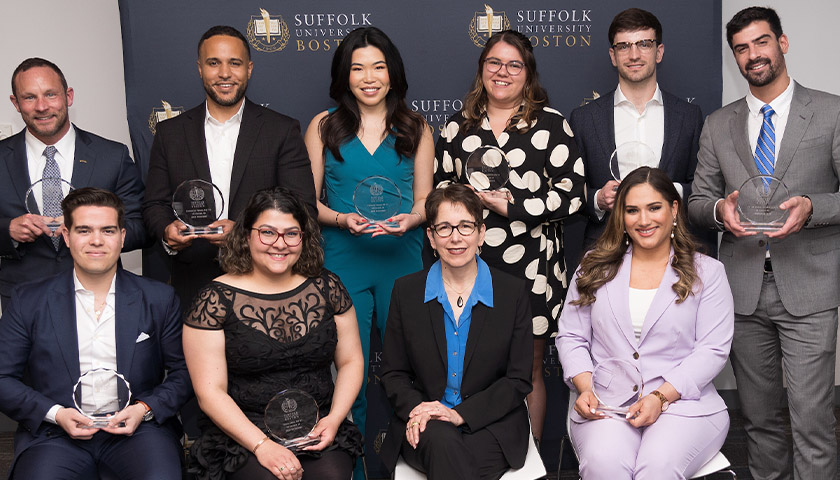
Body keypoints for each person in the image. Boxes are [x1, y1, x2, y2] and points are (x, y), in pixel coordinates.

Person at [687, 7, 840, 479]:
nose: (753, 55)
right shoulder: (718, 124)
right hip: (742, 293)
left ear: (783, 43)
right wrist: (718, 213)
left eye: (761, 42)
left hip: (810, 289)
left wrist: (813, 208)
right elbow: (696, 200)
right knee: (760, 422)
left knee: (812, 421)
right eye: (742, 48)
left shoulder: (831, 111)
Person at [433, 29, 585, 444]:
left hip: (532, 268)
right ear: (482, 69)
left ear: (528, 73)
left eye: (513, 65)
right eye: (493, 63)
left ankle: (528, 461)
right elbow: (439, 194)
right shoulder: (456, 127)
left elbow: (573, 198)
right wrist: (468, 206)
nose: (502, 72)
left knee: (528, 370)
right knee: (470, 367)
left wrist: (511, 205)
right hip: (467, 267)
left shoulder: (552, 125)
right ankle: (473, 455)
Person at [303, 26, 433, 471]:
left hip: (402, 258)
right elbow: (308, 202)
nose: (369, 76)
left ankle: (416, 466)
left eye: (378, 66)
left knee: (412, 373)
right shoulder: (324, 126)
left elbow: (424, 200)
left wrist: (411, 220)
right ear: (345, 75)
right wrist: (341, 219)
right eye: (357, 68)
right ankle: (351, 471)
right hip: (344, 262)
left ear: (392, 73)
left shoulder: (415, 127)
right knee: (349, 379)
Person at [0, 187, 192, 479]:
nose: (97, 241)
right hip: (55, 434)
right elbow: (2, 378)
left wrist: (143, 409)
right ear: (66, 236)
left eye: (108, 230)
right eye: (84, 230)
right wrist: (56, 414)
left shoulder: (158, 298)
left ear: (122, 237)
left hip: (138, 431)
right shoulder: (29, 299)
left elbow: (184, 372)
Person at [557, 167, 734, 479]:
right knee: (604, 464)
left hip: (683, 405)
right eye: (632, 210)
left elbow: (712, 351)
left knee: (656, 468)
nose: (644, 220)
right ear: (621, 217)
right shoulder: (593, 268)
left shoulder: (709, 273)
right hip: (606, 403)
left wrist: (661, 396)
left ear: (674, 209)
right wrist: (585, 387)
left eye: (654, 208)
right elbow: (571, 336)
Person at [183, 187, 364, 480]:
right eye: (267, 232)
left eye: (291, 233)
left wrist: (334, 419)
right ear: (246, 236)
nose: (280, 244)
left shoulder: (327, 287)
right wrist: (262, 445)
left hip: (318, 426)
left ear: (303, 239)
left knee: (331, 475)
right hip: (244, 432)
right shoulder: (215, 299)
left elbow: (352, 362)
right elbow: (210, 392)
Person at [143, 25, 317, 308]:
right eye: (214, 63)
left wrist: (243, 233)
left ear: (249, 68)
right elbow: (154, 204)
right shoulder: (170, 133)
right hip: (194, 281)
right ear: (200, 68)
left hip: (265, 281)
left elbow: (303, 208)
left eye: (234, 63)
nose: (224, 73)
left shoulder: (281, 130)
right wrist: (166, 231)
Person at [380, 184, 533, 479]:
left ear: (481, 233)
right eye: (444, 228)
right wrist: (421, 410)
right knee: (441, 441)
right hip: (426, 423)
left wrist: (459, 414)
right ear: (431, 237)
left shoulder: (511, 293)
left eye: (465, 226)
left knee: (456, 459)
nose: (455, 238)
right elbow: (393, 374)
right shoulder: (406, 291)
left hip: (492, 424)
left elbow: (518, 380)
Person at [0, 58, 146, 308]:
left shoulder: (112, 156)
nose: (42, 106)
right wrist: (8, 231)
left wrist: (92, 232)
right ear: (15, 103)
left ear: (68, 96)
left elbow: (140, 227)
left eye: (50, 94)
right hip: (23, 299)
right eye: (29, 97)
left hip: (100, 295)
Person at [569, 8, 716, 255]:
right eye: (624, 46)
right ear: (613, 55)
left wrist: (669, 192)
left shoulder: (688, 116)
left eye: (644, 44)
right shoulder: (584, 118)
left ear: (658, 52)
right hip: (605, 250)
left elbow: (702, 187)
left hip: (673, 251)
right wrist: (597, 199)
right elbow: (570, 189)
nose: (634, 55)